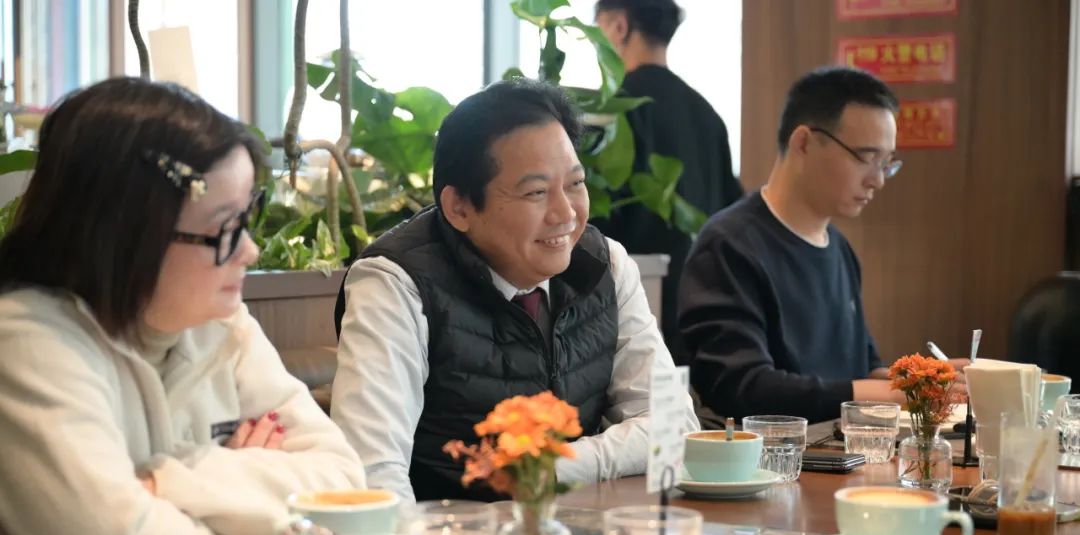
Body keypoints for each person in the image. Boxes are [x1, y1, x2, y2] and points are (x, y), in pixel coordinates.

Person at [0, 77, 367, 535]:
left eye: (248, 219)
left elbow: (344, 489)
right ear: (125, 232)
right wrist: (259, 517)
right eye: (225, 229)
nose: (250, 249)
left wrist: (175, 479)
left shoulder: (218, 326)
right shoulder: (25, 341)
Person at [332, 78, 698, 507]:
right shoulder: (396, 283)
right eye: (536, 192)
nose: (565, 213)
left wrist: (552, 466)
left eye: (575, 184)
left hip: (577, 530)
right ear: (460, 208)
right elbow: (372, 478)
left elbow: (672, 425)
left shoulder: (604, 265)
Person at [680, 66, 935, 424]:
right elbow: (742, 387)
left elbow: (862, 370)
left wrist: (925, 381)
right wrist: (878, 393)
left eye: (887, 164)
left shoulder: (840, 249)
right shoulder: (728, 245)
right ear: (803, 142)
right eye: (866, 158)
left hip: (842, 448)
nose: (877, 180)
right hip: (769, 454)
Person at [592, 0, 743, 362]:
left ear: (618, 26)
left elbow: (594, 226)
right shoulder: (707, 115)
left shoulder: (613, 111)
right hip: (704, 312)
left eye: (597, 30)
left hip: (632, 316)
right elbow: (732, 213)